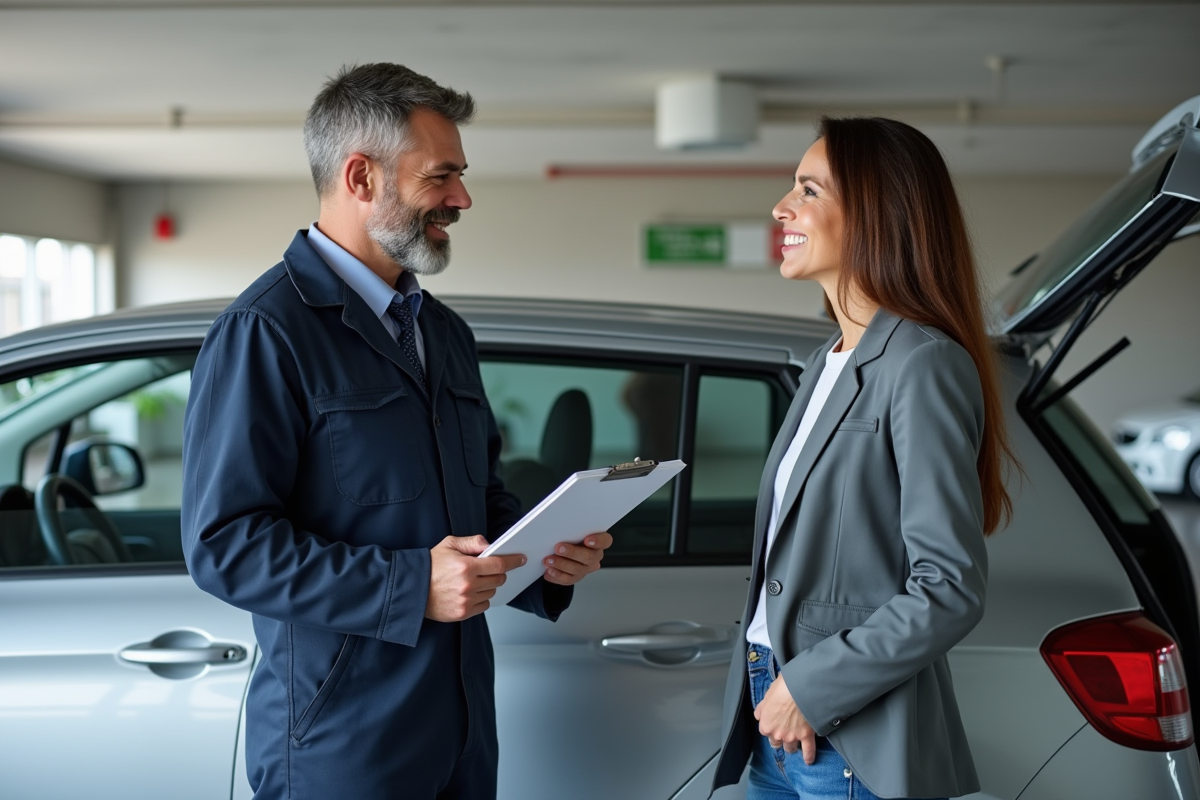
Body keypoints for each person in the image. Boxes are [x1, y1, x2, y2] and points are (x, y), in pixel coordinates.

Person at [180, 63, 612, 800]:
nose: (462, 199)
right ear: (360, 177)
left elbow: (477, 502)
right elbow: (225, 545)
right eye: (441, 178)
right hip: (344, 740)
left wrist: (544, 550)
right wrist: (411, 587)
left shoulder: (443, 333)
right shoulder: (266, 333)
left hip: (463, 729)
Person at [710, 117, 1014, 800]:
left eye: (808, 190)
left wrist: (810, 689)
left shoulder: (922, 363)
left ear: (877, 215)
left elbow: (949, 586)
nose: (780, 208)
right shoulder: (827, 361)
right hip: (777, 713)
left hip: (846, 732)